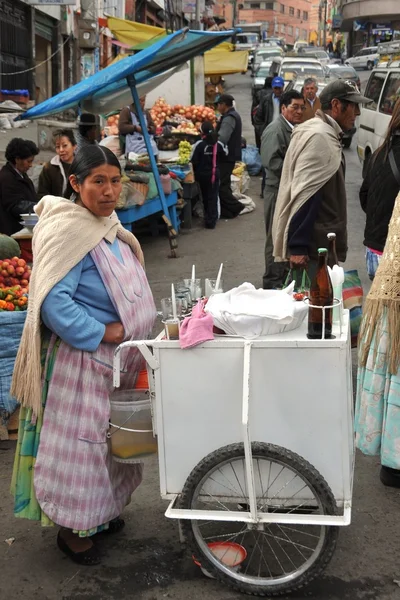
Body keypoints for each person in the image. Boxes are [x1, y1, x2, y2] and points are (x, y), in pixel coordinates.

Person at [11, 145, 156, 566]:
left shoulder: (106, 225)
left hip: (115, 363)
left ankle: (100, 514)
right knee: (83, 448)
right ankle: (72, 530)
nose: (110, 191)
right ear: (75, 183)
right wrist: (103, 331)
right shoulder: (67, 231)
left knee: (113, 444)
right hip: (82, 363)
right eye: (98, 182)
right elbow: (54, 303)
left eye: (115, 181)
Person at [272, 80, 371, 276]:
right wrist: (298, 246)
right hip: (314, 249)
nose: (357, 113)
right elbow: (306, 194)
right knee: (317, 303)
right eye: (353, 106)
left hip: (322, 242)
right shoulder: (320, 136)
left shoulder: (323, 131)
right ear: (336, 105)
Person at [355, 190, 400, 488]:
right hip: (392, 297)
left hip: (390, 289)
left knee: (390, 379)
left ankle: (392, 463)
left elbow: (368, 194)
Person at [261, 90, 305, 289]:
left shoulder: (293, 129)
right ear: (283, 108)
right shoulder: (275, 130)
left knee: (285, 235)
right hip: (276, 190)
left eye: (302, 107)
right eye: (294, 107)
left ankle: (283, 279)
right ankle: (272, 282)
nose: (299, 111)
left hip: (287, 191)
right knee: (275, 237)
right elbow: (272, 163)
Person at [359, 99, 400, 280]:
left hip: (374, 252)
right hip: (394, 255)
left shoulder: (379, 153)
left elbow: (365, 196)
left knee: (383, 308)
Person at [191, 121, 228, 229]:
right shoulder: (218, 144)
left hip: (202, 175)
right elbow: (225, 154)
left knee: (205, 197)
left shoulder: (199, 144)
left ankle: (208, 219)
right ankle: (212, 219)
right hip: (214, 174)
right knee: (213, 196)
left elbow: (192, 159)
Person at [0, 137, 39, 235]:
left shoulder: (21, 174)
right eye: (28, 161)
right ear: (17, 160)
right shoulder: (6, 178)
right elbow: (15, 205)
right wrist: (39, 207)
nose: (31, 165)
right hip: (12, 231)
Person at [216, 94, 245, 219]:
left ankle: (236, 206)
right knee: (225, 183)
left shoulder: (229, 118)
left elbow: (223, 137)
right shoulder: (230, 116)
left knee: (221, 185)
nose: (217, 107)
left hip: (227, 156)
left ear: (224, 105)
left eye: (218, 104)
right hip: (230, 155)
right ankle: (228, 212)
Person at [37, 130, 77, 200]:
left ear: (74, 146)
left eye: (65, 146)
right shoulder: (49, 168)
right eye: (58, 147)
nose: (61, 150)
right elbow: (43, 195)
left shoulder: (82, 165)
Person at [253, 76, 285, 147]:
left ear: (283, 87)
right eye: (275, 88)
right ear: (272, 87)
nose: (277, 90)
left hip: (283, 133)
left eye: (279, 88)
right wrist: (263, 132)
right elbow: (258, 118)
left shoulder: (287, 100)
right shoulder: (265, 100)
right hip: (269, 133)